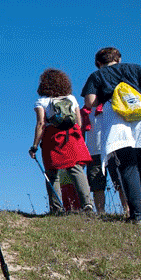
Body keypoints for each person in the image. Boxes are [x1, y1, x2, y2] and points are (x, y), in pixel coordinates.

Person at [81, 47, 141, 224]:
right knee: (140, 157)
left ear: (99, 63)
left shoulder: (96, 76)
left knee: (127, 164)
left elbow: (89, 102)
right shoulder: (135, 68)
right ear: (118, 59)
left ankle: (137, 215)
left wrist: (102, 99)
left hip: (117, 120)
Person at [28, 68, 94, 213]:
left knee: (52, 173)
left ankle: (56, 208)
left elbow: (41, 124)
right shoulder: (71, 98)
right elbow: (79, 121)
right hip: (72, 135)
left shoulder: (42, 101)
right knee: (75, 169)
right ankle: (87, 203)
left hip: (52, 137)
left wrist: (34, 146)